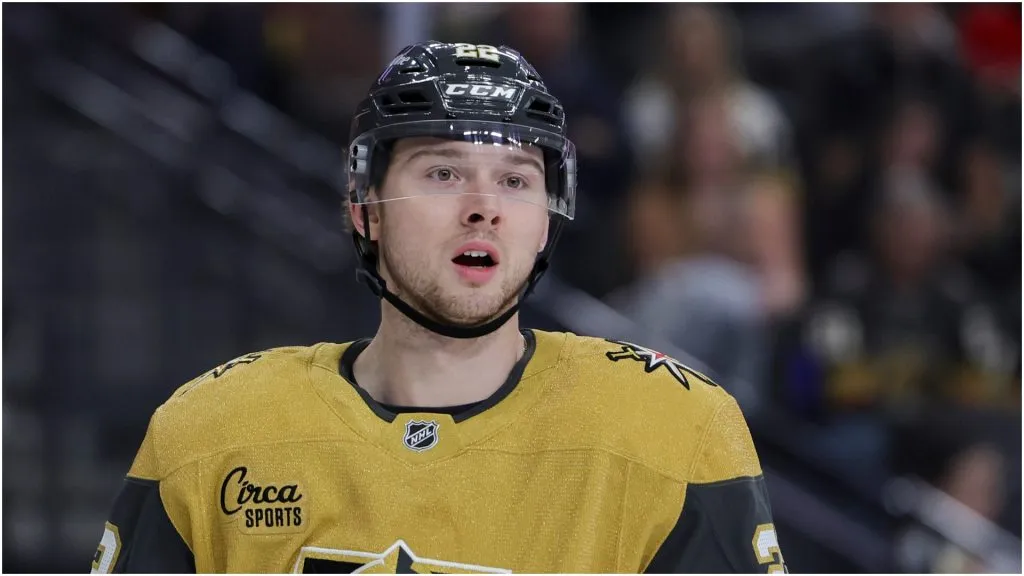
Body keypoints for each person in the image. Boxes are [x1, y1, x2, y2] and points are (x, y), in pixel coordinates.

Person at [90, 41, 785, 574]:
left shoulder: (676, 433)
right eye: (443, 171)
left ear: (547, 220)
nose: (482, 206)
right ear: (365, 207)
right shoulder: (209, 436)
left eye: (515, 179)